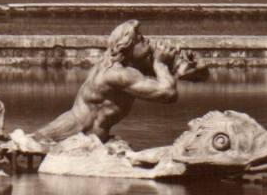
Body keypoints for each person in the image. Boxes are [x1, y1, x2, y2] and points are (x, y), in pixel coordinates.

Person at [32, 20, 202, 143]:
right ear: (127, 47)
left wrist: (189, 65)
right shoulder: (117, 74)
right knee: (33, 142)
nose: (148, 42)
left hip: (87, 135)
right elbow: (168, 94)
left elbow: (186, 77)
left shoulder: (123, 64)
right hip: (73, 135)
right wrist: (160, 63)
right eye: (140, 40)